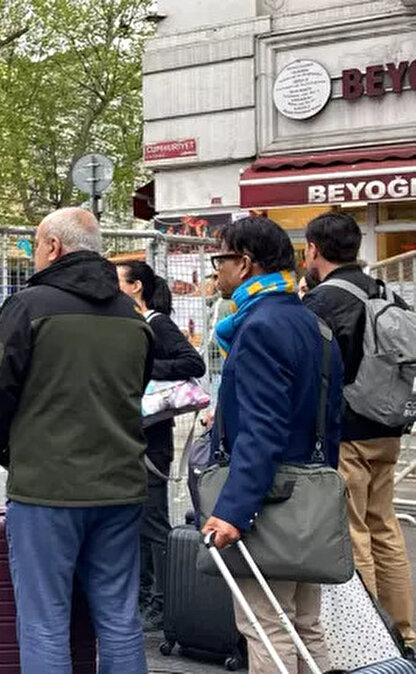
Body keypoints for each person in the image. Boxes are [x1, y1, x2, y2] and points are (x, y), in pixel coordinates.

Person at [0, 207, 153, 673]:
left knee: (45, 620)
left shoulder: (29, 307)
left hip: (47, 488)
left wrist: (14, 454)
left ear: (52, 246)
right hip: (120, 483)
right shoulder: (132, 314)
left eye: (37, 245)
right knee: (119, 617)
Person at [202, 215, 344, 673]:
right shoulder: (312, 323)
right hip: (306, 499)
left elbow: (262, 429)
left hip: (268, 501)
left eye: (218, 259)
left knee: (266, 625)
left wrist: (233, 509)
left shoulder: (259, 327)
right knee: (305, 624)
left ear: (244, 264)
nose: (214, 270)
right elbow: (329, 420)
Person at [302, 211, 414, 646]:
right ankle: (405, 630)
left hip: (346, 432)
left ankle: (370, 637)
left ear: (313, 249)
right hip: (387, 426)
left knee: (354, 534)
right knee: (385, 528)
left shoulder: (323, 302)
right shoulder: (384, 292)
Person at [116, 261, 206, 633]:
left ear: (136, 287)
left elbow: (193, 363)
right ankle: (143, 596)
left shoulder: (157, 323)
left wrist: (144, 364)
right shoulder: (135, 323)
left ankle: (164, 601)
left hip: (152, 444)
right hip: (137, 439)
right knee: (136, 523)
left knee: (152, 523)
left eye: (118, 281)